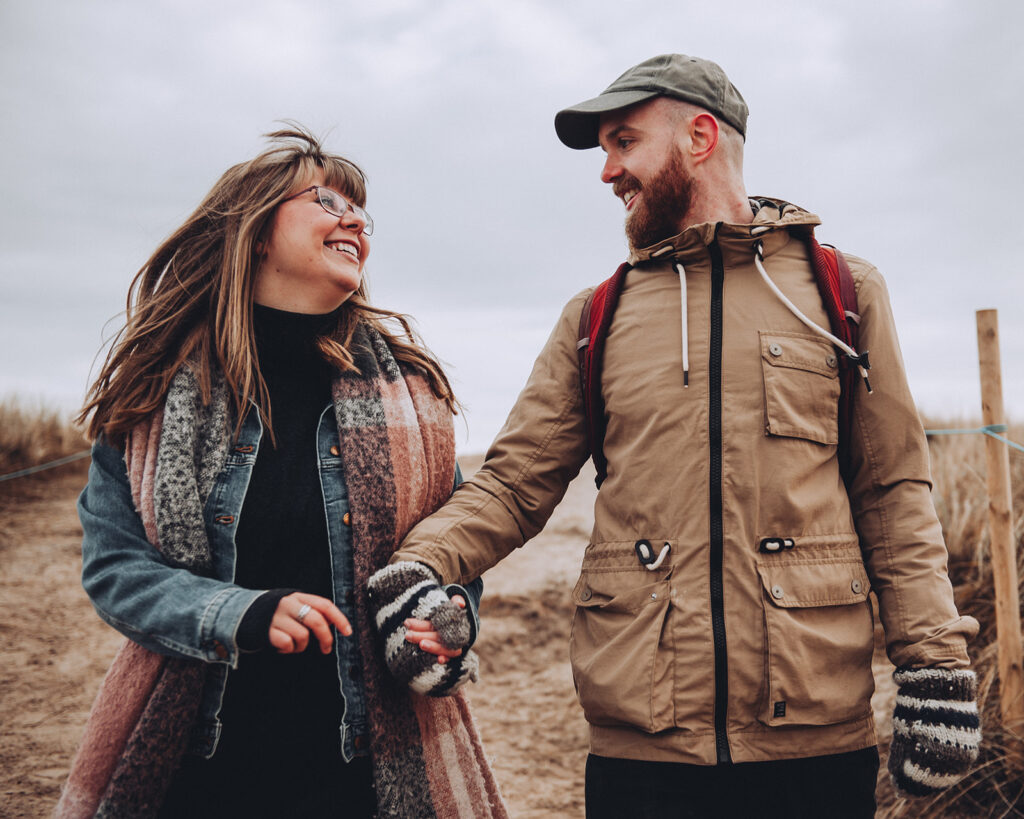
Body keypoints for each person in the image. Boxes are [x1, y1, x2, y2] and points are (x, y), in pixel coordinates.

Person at [375, 55, 981, 818]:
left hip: (815, 739)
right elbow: (514, 481)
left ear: (699, 136)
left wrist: (935, 667)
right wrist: (421, 565)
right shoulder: (596, 316)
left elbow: (892, 488)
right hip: (643, 748)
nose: (608, 171)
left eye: (623, 142)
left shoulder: (842, 291)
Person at [57, 126, 507, 819]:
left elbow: (454, 549)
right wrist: (241, 611)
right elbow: (115, 568)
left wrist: (445, 620)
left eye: (361, 212)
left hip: (368, 772)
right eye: (326, 200)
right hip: (202, 763)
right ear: (256, 231)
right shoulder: (157, 393)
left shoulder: (410, 395)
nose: (355, 219)